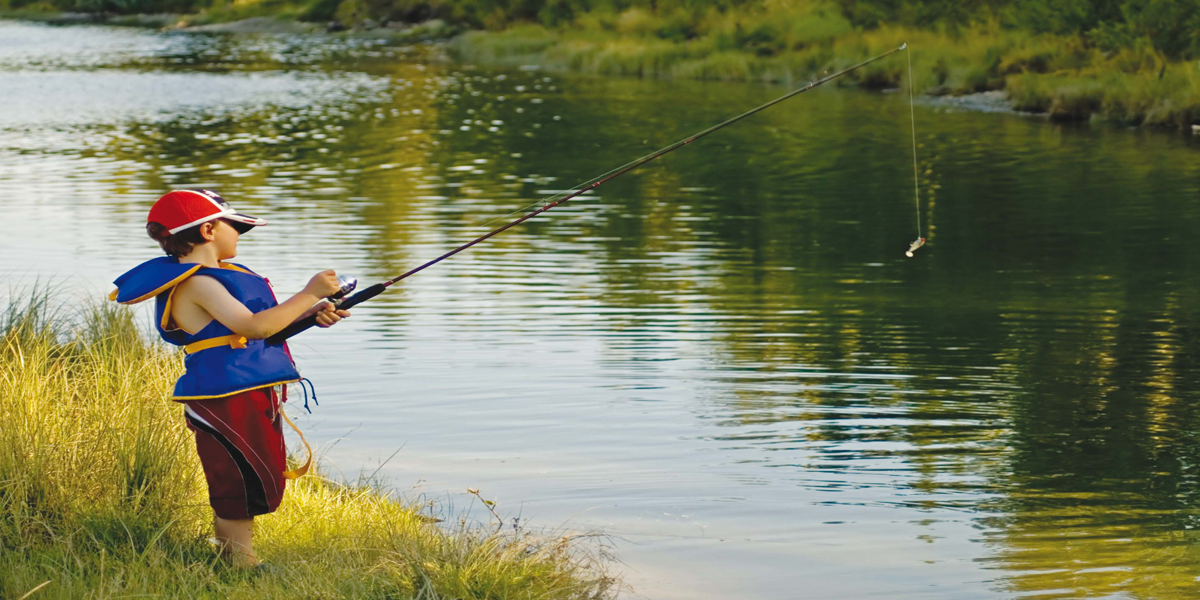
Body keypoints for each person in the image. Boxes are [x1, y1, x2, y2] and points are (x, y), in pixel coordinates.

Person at [109, 189, 349, 568]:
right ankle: (241, 566)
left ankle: (231, 556)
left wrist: (311, 311)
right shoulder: (197, 283)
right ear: (208, 230)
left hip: (246, 391)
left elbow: (263, 329)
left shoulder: (221, 276)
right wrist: (308, 292)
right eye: (235, 226)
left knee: (255, 470)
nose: (239, 234)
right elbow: (253, 327)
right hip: (226, 397)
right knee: (238, 476)